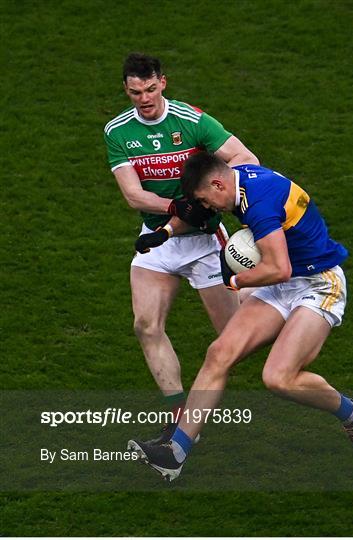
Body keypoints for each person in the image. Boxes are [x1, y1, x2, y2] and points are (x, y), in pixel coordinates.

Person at [128, 152, 353, 480]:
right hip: (282, 284)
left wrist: (234, 280)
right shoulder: (237, 179)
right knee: (219, 354)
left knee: (278, 378)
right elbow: (195, 211)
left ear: (217, 184)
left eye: (208, 199)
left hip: (318, 284)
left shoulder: (258, 204)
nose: (211, 208)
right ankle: (176, 452)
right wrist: (166, 234)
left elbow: (278, 267)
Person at [104, 53, 259, 443]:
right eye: (136, 91)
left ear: (163, 83)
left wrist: (212, 196)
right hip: (157, 239)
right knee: (145, 324)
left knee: (233, 340)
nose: (144, 98)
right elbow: (133, 194)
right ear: (126, 89)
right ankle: (180, 418)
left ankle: (270, 297)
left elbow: (245, 158)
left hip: (206, 242)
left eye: (151, 89)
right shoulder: (118, 131)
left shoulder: (191, 120)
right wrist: (176, 208)